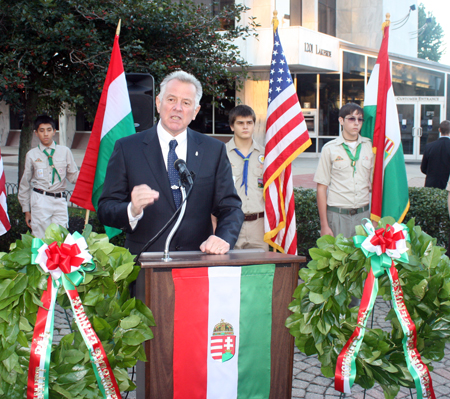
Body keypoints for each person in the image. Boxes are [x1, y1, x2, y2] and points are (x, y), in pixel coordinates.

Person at [97, 70, 244, 255]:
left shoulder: (213, 150)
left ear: (195, 111)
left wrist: (223, 237)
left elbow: (230, 207)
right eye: (171, 99)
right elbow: (105, 208)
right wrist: (132, 210)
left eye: (186, 102)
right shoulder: (128, 148)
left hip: (196, 263)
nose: (178, 108)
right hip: (145, 265)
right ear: (158, 103)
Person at [314, 103, 373, 238]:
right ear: (341, 120)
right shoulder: (330, 148)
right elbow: (321, 188)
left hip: (363, 216)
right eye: (351, 119)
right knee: (337, 257)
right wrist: (324, 225)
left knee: (363, 258)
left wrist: (374, 219)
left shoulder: (369, 146)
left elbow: (376, 185)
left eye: (360, 119)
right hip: (337, 215)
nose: (356, 123)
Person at [18, 115, 79, 238]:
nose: (45, 134)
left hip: (59, 200)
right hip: (40, 199)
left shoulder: (65, 151)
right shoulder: (32, 155)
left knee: (61, 237)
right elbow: (25, 183)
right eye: (41, 130)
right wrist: (26, 210)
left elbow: (73, 176)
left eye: (49, 130)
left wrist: (88, 175)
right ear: (36, 133)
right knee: (41, 239)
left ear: (54, 131)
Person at [225, 105, 268, 250]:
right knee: (232, 270)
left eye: (249, 123)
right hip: (230, 222)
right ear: (232, 126)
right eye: (240, 123)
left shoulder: (266, 154)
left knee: (261, 270)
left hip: (259, 224)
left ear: (254, 125)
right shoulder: (221, 153)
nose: (245, 127)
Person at [420, 120, 450, 189]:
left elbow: (423, 168)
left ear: (439, 130)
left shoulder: (429, 146)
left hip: (430, 183)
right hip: (445, 182)